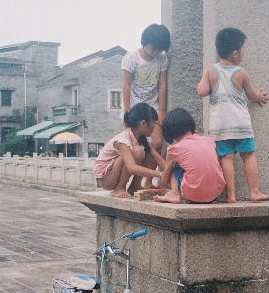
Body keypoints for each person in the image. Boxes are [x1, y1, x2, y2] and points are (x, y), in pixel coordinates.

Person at [197, 27, 269, 202]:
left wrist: (206, 78)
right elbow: (252, 95)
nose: (244, 52)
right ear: (235, 53)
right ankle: (254, 192)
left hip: (220, 126)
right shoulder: (241, 73)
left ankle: (231, 195)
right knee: (248, 155)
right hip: (240, 125)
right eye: (243, 49)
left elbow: (202, 91)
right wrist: (259, 95)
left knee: (226, 158)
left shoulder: (211, 71)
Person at [121, 24, 171, 186]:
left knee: (156, 143)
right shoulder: (132, 57)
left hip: (153, 108)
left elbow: (162, 84)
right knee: (135, 147)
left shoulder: (162, 58)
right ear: (146, 42)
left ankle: (148, 181)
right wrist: (126, 113)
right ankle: (130, 183)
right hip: (135, 109)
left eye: (159, 49)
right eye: (153, 48)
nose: (156, 52)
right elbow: (126, 85)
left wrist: (162, 111)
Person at [154, 107, 226, 204]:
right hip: (216, 193)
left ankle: (175, 194)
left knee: (174, 166)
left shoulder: (175, 149)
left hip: (194, 193)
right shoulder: (208, 141)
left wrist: (162, 175)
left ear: (170, 132)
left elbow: (164, 180)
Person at [94, 103, 165, 198]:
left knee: (147, 152)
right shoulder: (123, 140)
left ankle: (135, 186)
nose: (155, 127)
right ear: (143, 123)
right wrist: (160, 174)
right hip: (105, 178)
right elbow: (132, 167)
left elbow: (158, 159)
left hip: (115, 172)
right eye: (153, 123)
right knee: (138, 151)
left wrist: (171, 172)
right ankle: (120, 187)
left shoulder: (144, 140)